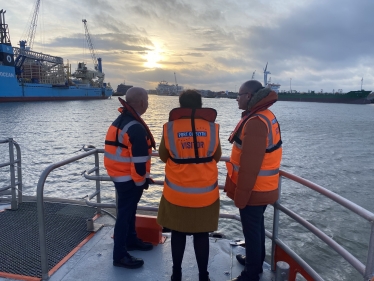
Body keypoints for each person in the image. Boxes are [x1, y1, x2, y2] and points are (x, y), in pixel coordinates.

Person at [157, 90, 222, 281]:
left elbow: (163, 156)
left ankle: (176, 274)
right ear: (200, 105)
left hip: (176, 193)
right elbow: (216, 156)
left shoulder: (170, 128)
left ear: (180, 105)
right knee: (202, 235)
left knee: (178, 233)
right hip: (206, 194)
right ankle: (203, 276)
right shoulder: (211, 128)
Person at [225, 80, 282, 281]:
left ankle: (251, 273)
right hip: (263, 187)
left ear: (249, 96)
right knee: (256, 228)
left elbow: (249, 167)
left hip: (254, 189)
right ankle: (254, 261)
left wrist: (241, 196)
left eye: (239, 95)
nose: (236, 99)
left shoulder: (256, 122)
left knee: (252, 231)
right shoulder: (266, 116)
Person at [104, 87, 156, 269]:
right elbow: (139, 161)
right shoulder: (134, 127)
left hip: (119, 175)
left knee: (128, 212)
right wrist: (141, 182)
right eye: (147, 100)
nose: (148, 103)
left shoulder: (121, 121)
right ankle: (119, 255)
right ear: (142, 102)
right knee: (125, 215)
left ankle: (131, 240)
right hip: (129, 179)